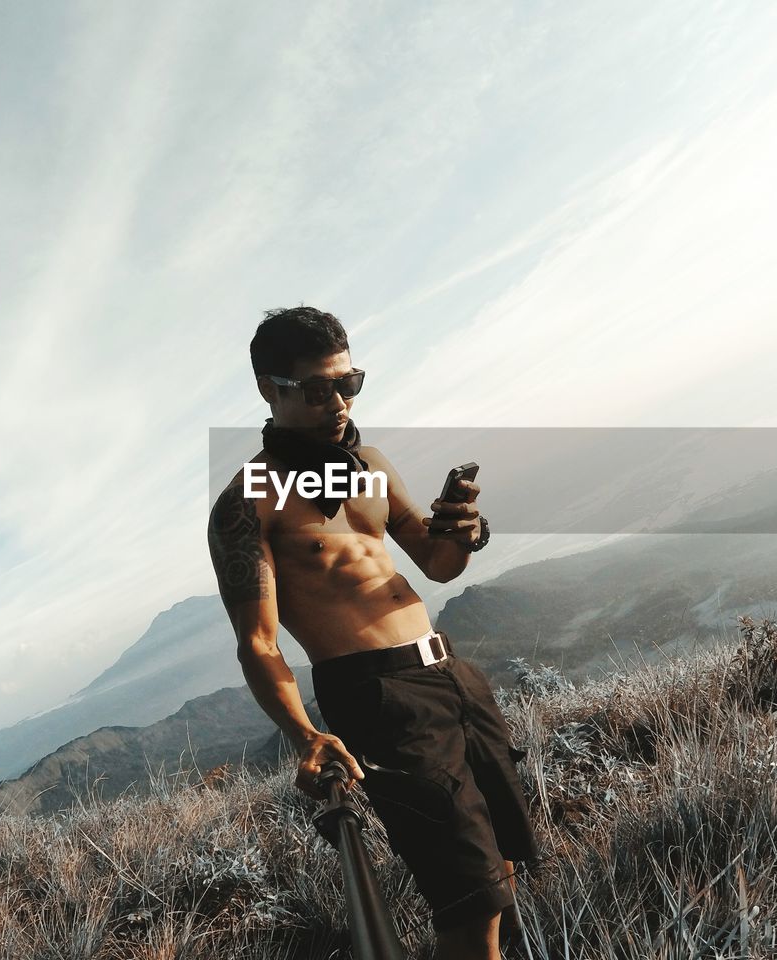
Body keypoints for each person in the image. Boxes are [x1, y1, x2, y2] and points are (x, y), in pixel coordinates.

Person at [206, 306, 538, 960]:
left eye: (348, 383)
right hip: (378, 697)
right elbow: (259, 643)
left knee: (503, 871)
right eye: (316, 388)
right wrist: (305, 735)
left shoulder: (372, 464)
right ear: (269, 391)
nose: (337, 401)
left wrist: (464, 532)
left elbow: (438, 565)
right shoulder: (247, 503)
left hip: (453, 678)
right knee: (471, 907)